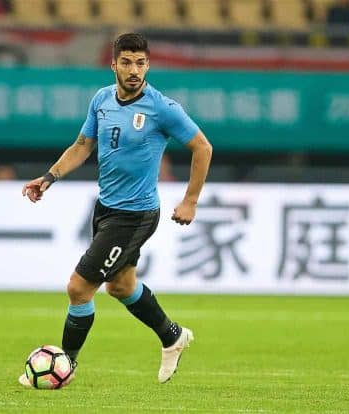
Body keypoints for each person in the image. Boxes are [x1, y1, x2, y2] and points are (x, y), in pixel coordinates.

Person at [19, 33, 213, 386]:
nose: (134, 70)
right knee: (121, 286)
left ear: (148, 65)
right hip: (106, 208)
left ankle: (65, 366)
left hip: (135, 215)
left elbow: (203, 148)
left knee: (79, 288)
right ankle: (172, 336)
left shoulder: (162, 108)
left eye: (140, 63)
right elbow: (82, 145)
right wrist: (49, 177)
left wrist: (190, 200)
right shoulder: (101, 100)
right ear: (114, 65)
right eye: (126, 62)